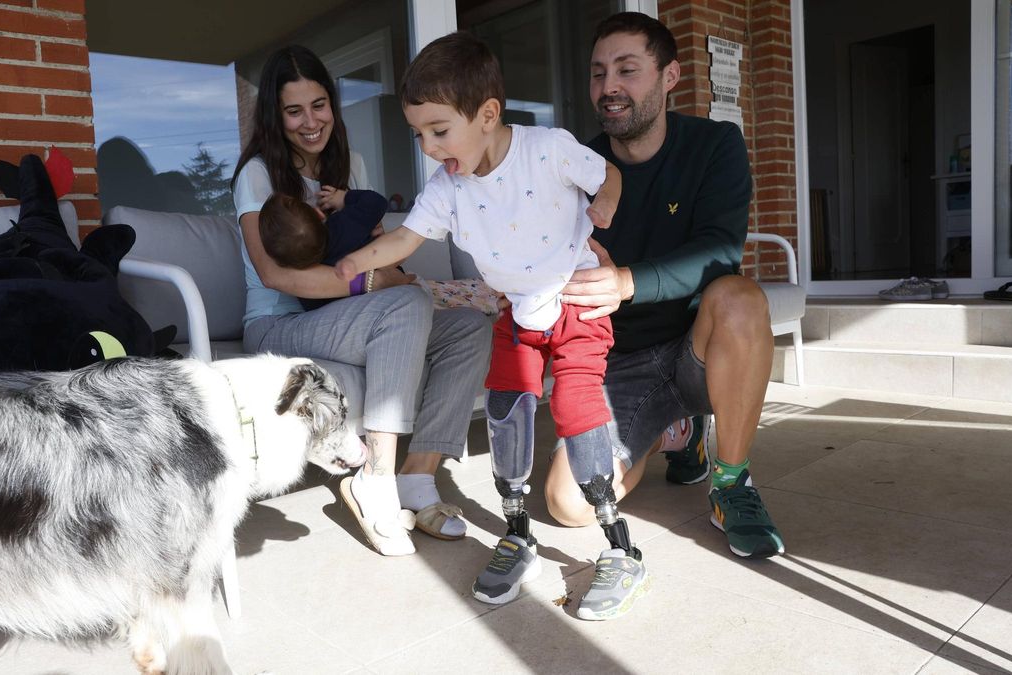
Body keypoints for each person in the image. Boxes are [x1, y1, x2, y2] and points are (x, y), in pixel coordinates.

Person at [334, 32, 645, 622]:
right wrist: (359, 261)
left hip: (575, 302)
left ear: (488, 115)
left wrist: (603, 204)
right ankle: (518, 531)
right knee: (507, 410)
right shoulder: (448, 187)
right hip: (517, 311)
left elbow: (610, 174)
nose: (428, 147)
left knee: (576, 409)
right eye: (418, 134)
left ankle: (620, 545)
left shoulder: (549, 149)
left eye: (439, 130)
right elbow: (406, 238)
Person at [230, 45, 492, 556]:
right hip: (277, 326)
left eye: (319, 105)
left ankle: (418, 478)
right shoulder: (258, 175)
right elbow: (274, 273)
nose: (311, 122)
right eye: (294, 110)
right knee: (409, 305)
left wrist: (378, 272)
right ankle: (374, 476)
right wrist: (370, 285)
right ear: (274, 116)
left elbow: (371, 247)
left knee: (469, 327)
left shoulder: (354, 169)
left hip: (340, 318)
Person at [545, 11, 784, 565]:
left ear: (670, 76)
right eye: (599, 73)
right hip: (621, 361)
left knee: (741, 297)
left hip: (699, 350)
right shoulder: (573, 168)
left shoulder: (716, 145)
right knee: (569, 505)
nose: (610, 88)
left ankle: (730, 484)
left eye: (628, 70)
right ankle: (674, 432)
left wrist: (626, 280)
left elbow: (720, 251)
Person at [258, 188, 387, 310]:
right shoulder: (342, 225)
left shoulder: (306, 293)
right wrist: (343, 197)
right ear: (319, 214)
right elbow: (377, 202)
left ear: (280, 262)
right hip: (388, 284)